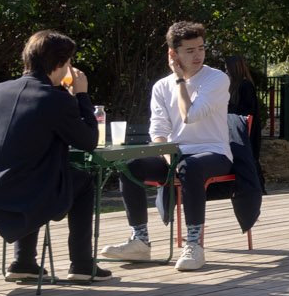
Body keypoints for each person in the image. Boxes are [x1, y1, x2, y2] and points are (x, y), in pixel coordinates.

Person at [0, 30, 109, 284]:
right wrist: (81, 95)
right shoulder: (55, 100)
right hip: (25, 195)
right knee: (81, 182)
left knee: (36, 171)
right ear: (60, 63)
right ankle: (82, 264)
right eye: (69, 61)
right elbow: (88, 142)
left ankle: (24, 262)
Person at [100, 21, 263, 273]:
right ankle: (140, 240)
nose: (198, 55)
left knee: (190, 166)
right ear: (172, 55)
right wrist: (168, 160)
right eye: (189, 50)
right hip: (176, 156)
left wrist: (179, 81)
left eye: (201, 48)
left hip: (215, 153)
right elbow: (159, 133)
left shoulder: (217, 79)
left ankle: (195, 245)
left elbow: (191, 115)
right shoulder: (160, 87)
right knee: (130, 165)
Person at [225, 54, 265, 168]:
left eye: (228, 70)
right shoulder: (234, 86)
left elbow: (248, 112)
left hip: (245, 132)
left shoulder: (245, 85)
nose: (226, 73)